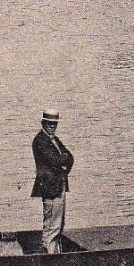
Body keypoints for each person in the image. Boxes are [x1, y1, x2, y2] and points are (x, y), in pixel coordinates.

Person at [31, 109, 75, 254]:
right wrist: (62, 160)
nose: (52, 127)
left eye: (54, 124)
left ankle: (54, 253)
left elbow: (70, 157)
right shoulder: (40, 141)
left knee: (59, 224)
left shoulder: (54, 140)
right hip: (50, 189)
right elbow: (55, 160)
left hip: (59, 186)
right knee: (51, 226)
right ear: (43, 123)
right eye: (49, 124)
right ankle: (49, 257)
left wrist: (63, 162)